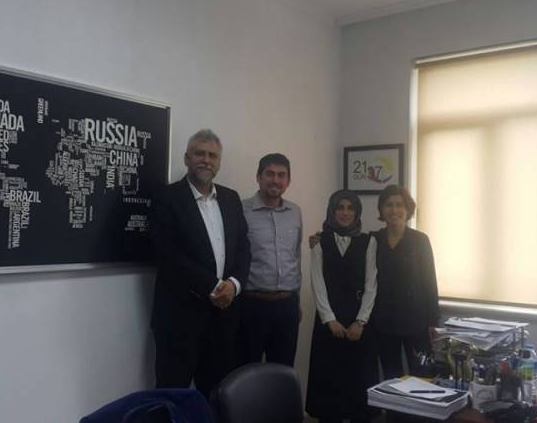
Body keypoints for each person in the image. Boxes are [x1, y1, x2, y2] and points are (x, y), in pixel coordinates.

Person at [149, 129, 251, 398]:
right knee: (172, 395)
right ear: (187, 158)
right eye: (199, 154)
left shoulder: (231, 198)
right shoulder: (166, 197)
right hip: (179, 320)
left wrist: (234, 285)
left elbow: (243, 249)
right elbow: (167, 255)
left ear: (219, 162)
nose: (206, 160)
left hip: (223, 319)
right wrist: (215, 286)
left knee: (219, 396)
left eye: (212, 156)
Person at [306, 190, 378, 423]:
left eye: (350, 208)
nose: (345, 213)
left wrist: (360, 321)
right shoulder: (320, 241)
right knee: (330, 385)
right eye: (340, 208)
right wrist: (329, 319)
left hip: (359, 321)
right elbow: (317, 283)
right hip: (329, 321)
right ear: (332, 211)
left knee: (359, 383)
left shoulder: (368, 241)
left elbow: (371, 284)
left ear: (357, 213)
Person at [238, 153, 303, 366]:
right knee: (247, 370)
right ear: (258, 177)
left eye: (281, 175)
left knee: (283, 370)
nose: (276, 180)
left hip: (288, 306)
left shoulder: (295, 212)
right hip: (252, 305)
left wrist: (297, 300)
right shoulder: (241, 210)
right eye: (270, 174)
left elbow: (296, 256)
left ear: (288, 181)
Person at [370, 185, 439, 380]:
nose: (394, 210)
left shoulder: (420, 240)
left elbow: (430, 281)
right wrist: (319, 239)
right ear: (381, 209)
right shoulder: (373, 239)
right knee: (391, 377)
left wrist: (433, 321)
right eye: (389, 205)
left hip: (416, 322)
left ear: (408, 209)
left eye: (399, 205)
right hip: (383, 322)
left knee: (422, 377)